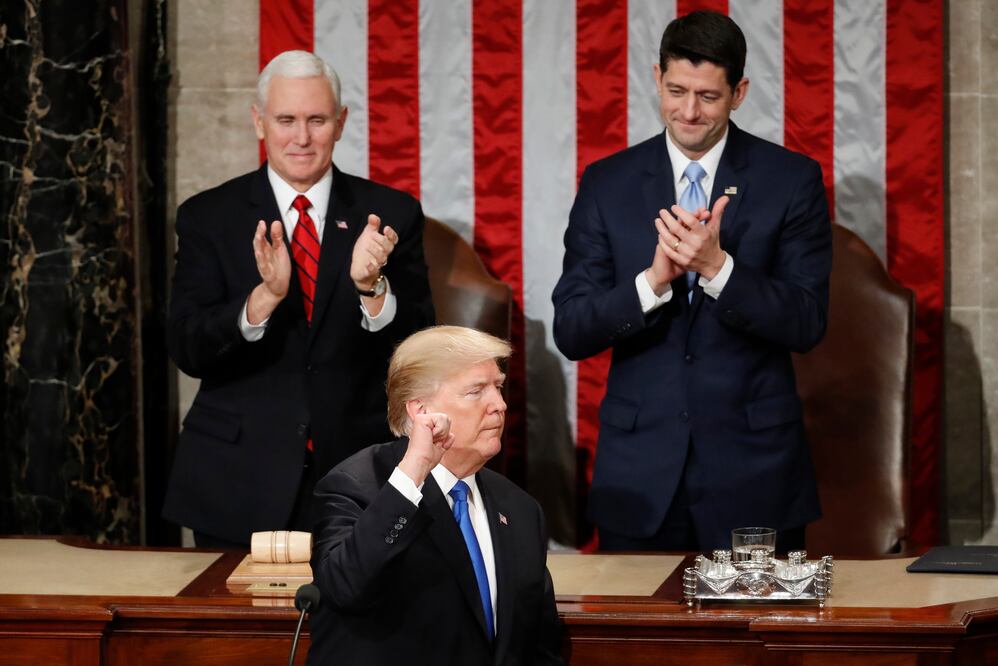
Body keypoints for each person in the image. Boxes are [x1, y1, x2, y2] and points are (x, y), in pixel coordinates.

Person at [552, 10, 832, 553]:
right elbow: (572, 329)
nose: (688, 110)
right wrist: (653, 282)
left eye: (707, 96)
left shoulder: (791, 180)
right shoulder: (607, 183)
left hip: (754, 476)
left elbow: (806, 321)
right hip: (638, 477)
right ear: (656, 78)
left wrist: (716, 269)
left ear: (739, 91)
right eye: (676, 90)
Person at [163, 50, 434, 549]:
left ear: (341, 122)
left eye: (317, 120)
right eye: (286, 120)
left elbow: (420, 350)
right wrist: (263, 299)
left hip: (359, 474)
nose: (302, 137)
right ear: (259, 121)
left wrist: (371, 288)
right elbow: (187, 348)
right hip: (237, 477)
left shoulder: (390, 213)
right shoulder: (208, 216)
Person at [307, 326, 563, 665]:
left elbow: (539, 644)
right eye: (476, 391)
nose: (499, 405)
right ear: (420, 410)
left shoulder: (519, 508)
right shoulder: (355, 485)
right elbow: (345, 587)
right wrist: (414, 471)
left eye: (498, 387)